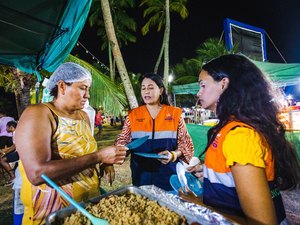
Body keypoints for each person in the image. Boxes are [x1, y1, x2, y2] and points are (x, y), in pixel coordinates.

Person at [180, 54, 300, 225]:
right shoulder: (230, 127)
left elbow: (263, 222)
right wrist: (207, 171)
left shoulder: (240, 136)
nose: (198, 93)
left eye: (203, 85)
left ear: (224, 83)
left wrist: (198, 207)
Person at [15, 62, 127, 225]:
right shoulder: (39, 114)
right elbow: (38, 173)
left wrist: (104, 161)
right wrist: (98, 157)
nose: (87, 95)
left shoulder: (82, 116)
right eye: (83, 88)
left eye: (88, 89)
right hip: (53, 214)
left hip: (85, 209)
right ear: (62, 87)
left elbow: (81, 155)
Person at [115, 73, 194, 191]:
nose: (146, 92)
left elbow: (186, 145)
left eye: (151, 88)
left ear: (161, 90)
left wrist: (173, 155)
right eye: (143, 88)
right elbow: (122, 140)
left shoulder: (175, 114)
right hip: (141, 176)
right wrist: (120, 149)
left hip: (169, 177)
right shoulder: (133, 115)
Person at [0, 120, 18, 186]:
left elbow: (14, 146)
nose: (6, 129)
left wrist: (4, 153)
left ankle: (13, 177)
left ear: (11, 127)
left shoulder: (16, 133)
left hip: (20, 153)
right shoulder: (15, 133)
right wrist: (5, 151)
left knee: (2, 159)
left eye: (7, 127)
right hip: (18, 151)